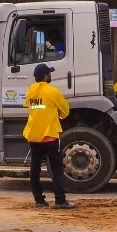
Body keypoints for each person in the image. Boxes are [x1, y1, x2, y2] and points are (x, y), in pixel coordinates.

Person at [24, 63, 75, 209]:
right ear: (46, 76)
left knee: (35, 169)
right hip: (50, 136)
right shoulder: (53, 91)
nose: (50, 75)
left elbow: (31, 109)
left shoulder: (30, 91)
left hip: (34, 136)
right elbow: (65, 110)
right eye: (49, 73)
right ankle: (60, 200)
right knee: (56, 169)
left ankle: (39, 199)